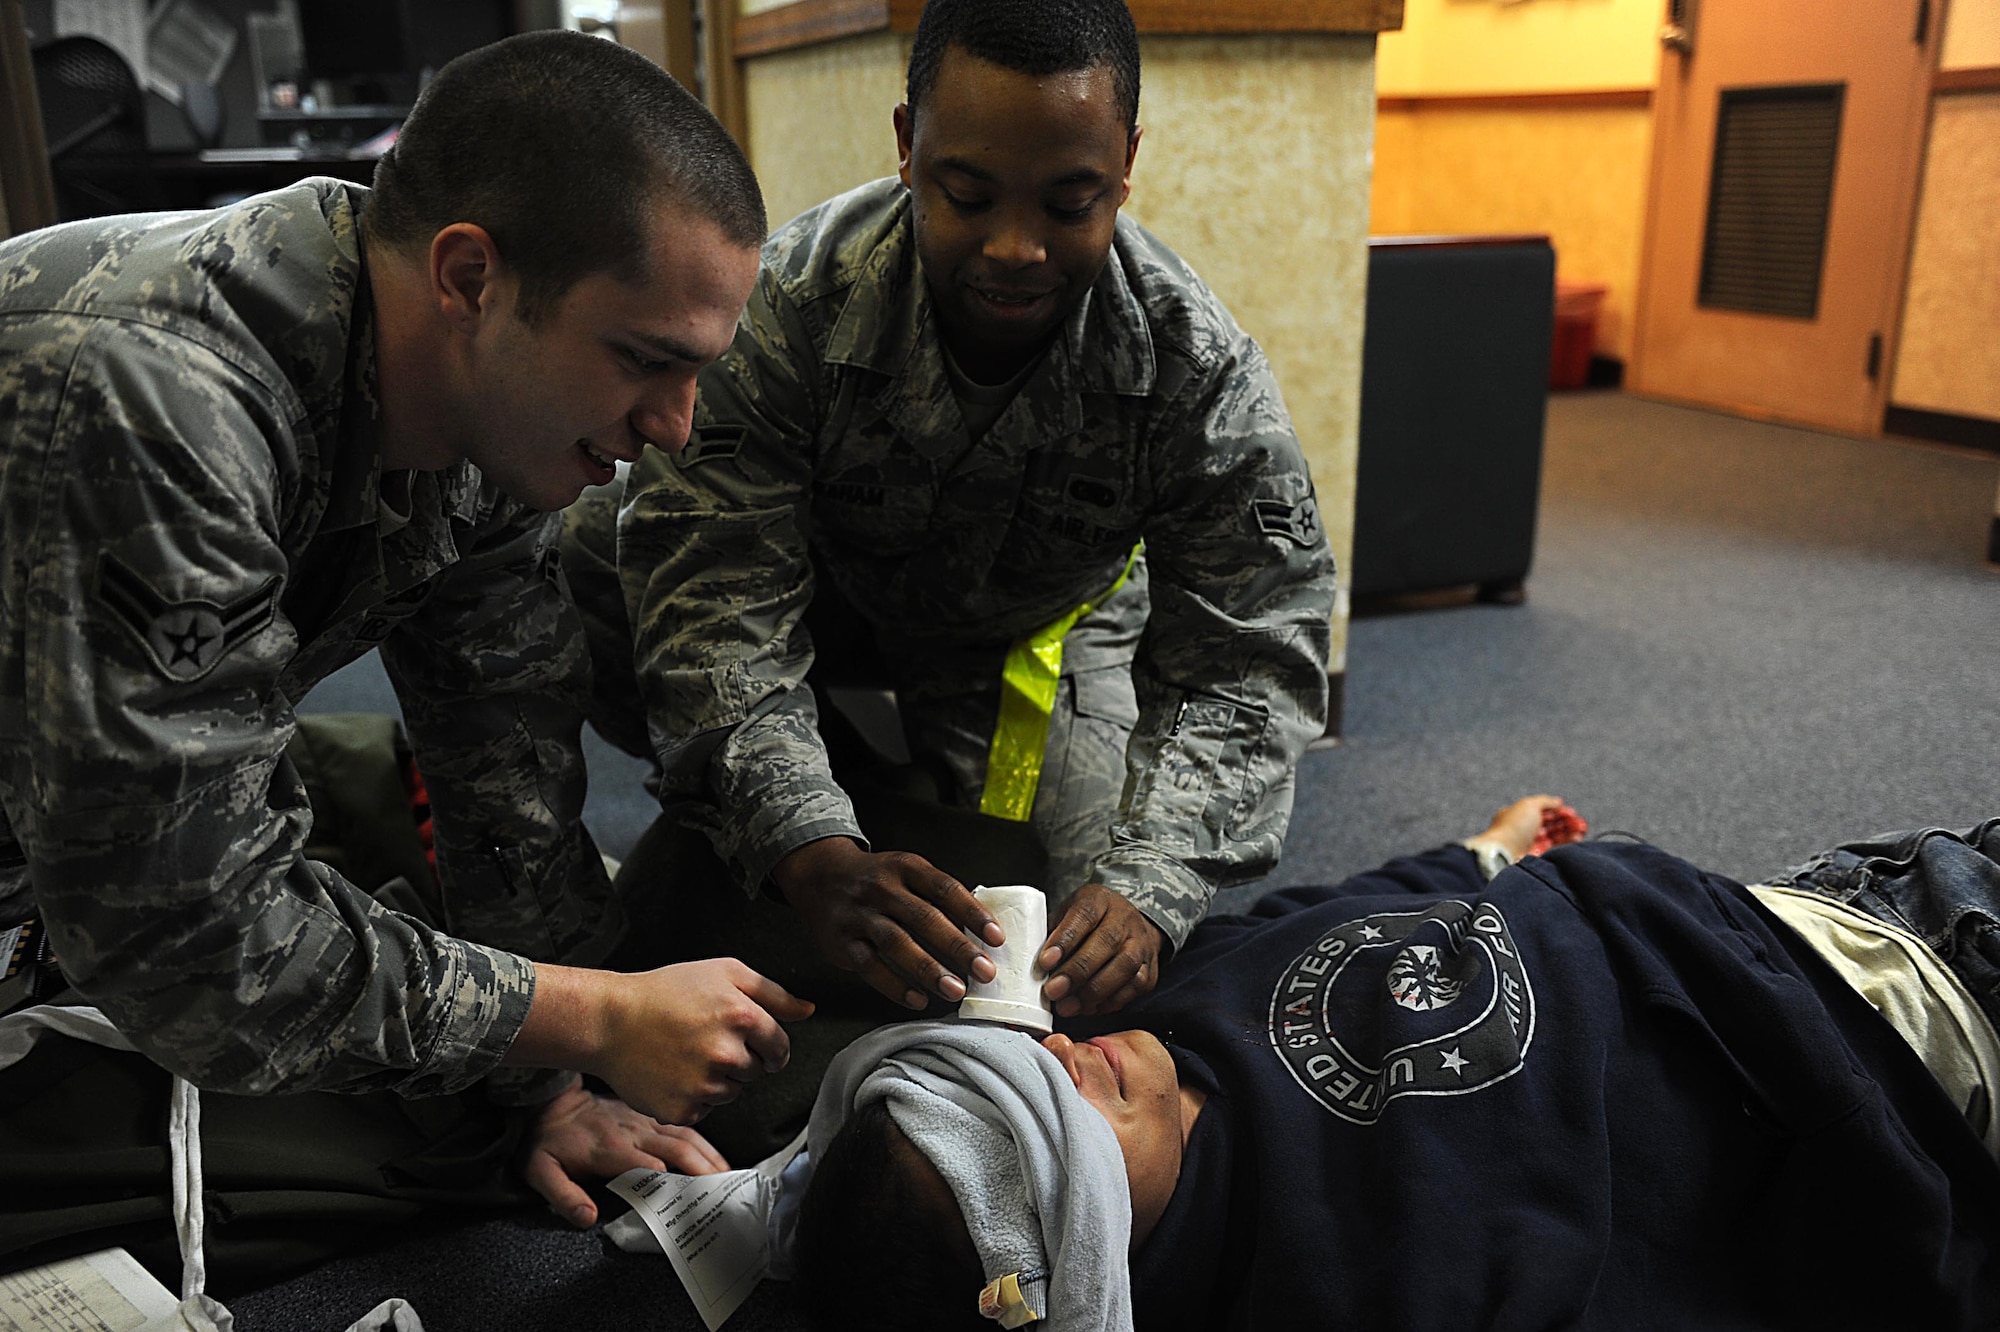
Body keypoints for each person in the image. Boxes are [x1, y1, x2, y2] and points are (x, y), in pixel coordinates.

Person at [0, 29, 812, 1237]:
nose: (675, 426)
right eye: (645, 360)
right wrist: (592, 1018)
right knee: (272, 1193)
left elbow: (508, 778)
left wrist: (547, 1084)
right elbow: (199, 948)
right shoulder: (159, 398)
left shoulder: (487, 411)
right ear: (470, 276)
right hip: (72, 888)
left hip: (69, 837)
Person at [570, 0, 1338, 1041]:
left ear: (1125, 166)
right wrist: (806, 843)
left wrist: (1154, 879)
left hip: (1034, 632)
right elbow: (711, 599)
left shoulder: (1193, 365)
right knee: (591, 557)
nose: (1016, 249)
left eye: (1069, 203)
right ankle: (817, 786)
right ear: (906, 146)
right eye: (967, 196)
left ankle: (889, 778)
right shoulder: (785, 308)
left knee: (1067, 950)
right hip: (818, 603)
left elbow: (1252, 650)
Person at [792, 800, 2000, 1331]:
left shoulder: (1160, 1018)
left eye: (1017, 1067)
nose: (1062, 1054)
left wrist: (1481, 852)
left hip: (1790, 899)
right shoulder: (1348, 1294)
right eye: (1045, 1126)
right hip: (1899, 1029)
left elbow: (1329, 912)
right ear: (1084, 1256)